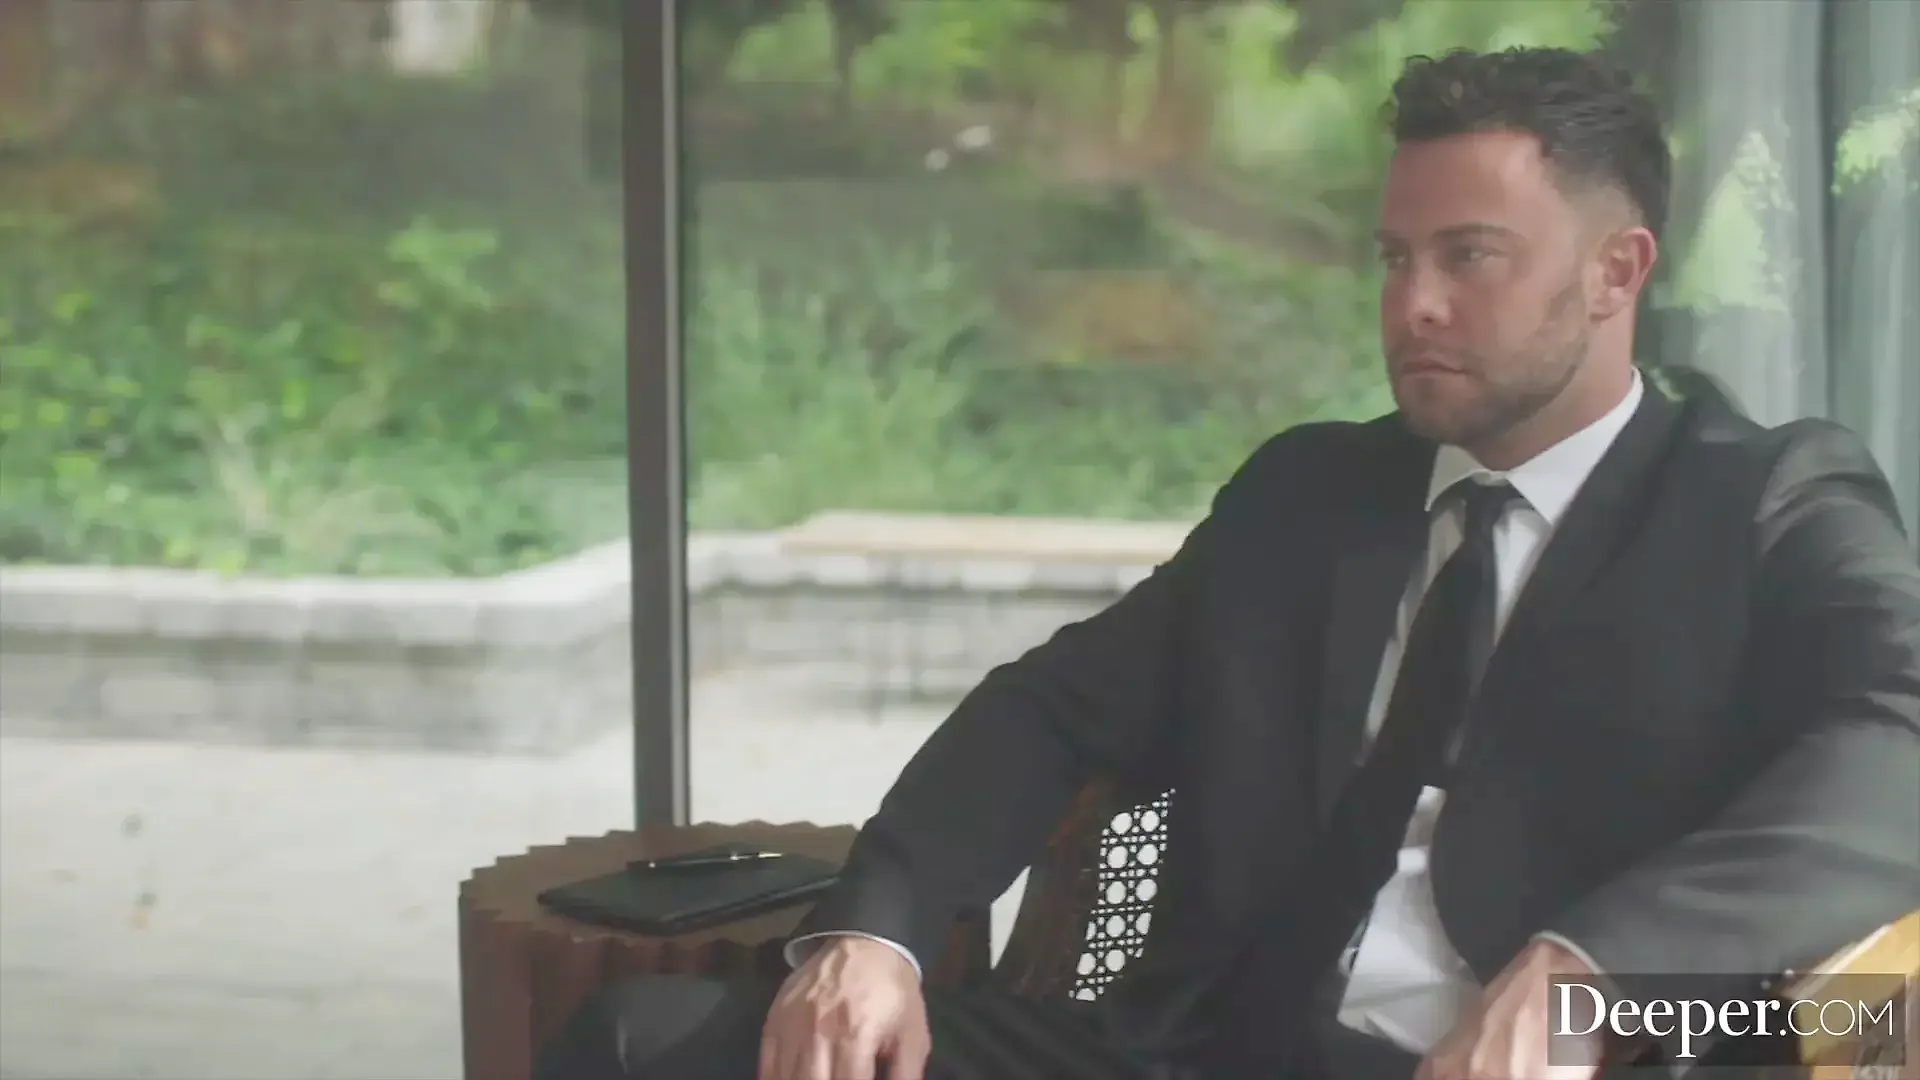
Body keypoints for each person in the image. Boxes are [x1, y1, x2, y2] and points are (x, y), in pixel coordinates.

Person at [536, 46, 1920, 1080]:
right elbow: (1051, 708)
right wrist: (876, 935)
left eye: (1470, 257)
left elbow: (1900, 740)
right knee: (640, 1042)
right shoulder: (1308, 495)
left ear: (1618, 271)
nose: (1414, 304)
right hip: (1192, 1050)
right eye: (1393, 258)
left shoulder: (1765, 500)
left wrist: (1595, 973)